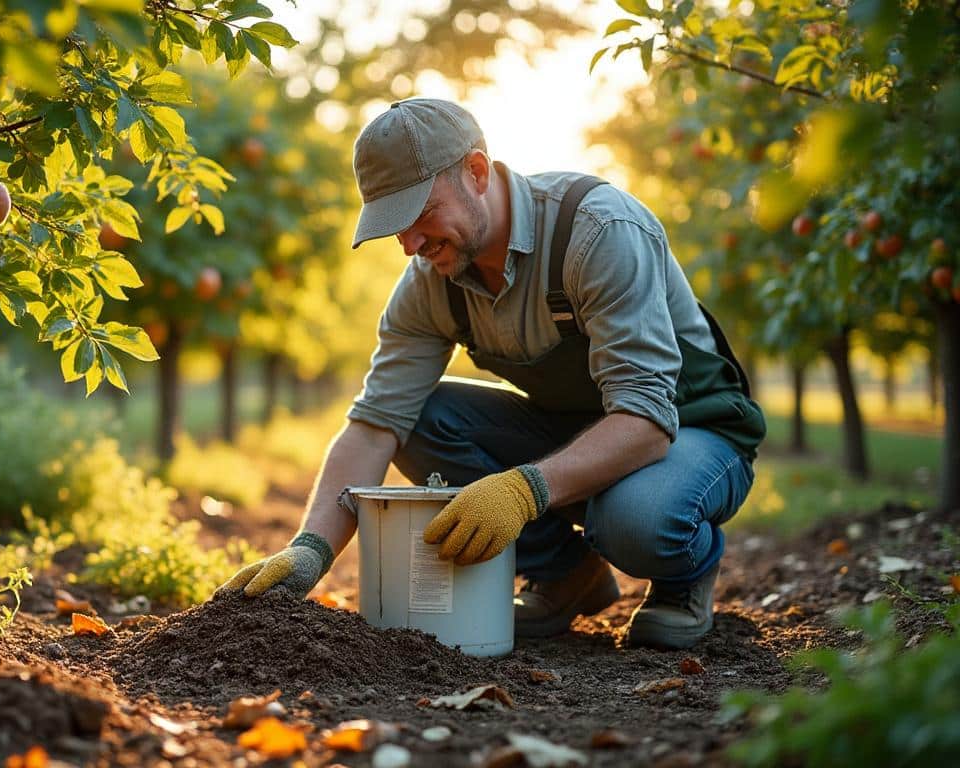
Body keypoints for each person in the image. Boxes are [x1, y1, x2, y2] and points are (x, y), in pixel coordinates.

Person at [217, 98, 765, 650]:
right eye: (393, 225)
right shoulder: (431, 281)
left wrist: (524, 490)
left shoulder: (599, 232)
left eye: (419, 214)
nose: (409, 245)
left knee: (636, 522)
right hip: (573, 431)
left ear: (476, 172)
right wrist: (311, 548)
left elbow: (645, 419)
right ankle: (565, 574)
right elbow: (375, 423)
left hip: (688, 428)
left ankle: (682, 576)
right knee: (422, 419)